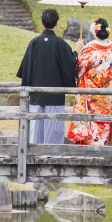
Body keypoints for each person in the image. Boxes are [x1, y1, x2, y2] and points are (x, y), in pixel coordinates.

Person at [16, 9, 81, 144]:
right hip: (55, 96)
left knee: (36, 133)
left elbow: (27, 68)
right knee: (54, 132)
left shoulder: (33, 43)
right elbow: (70, 64)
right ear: (56, 24)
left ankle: (34, 160)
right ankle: (54, 158)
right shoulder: (61, 44)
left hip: (36, 95)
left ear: (41, 23)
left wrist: (27, 88)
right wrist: (77, 50)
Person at [68, 18, 112, 146]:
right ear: (107, 31)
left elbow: (80, 68)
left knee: (90, 121)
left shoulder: (89, 48)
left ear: (94, 32)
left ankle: (91, 148)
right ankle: (103, 145)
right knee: (104, 122)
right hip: (107, 92)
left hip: (90, 92)